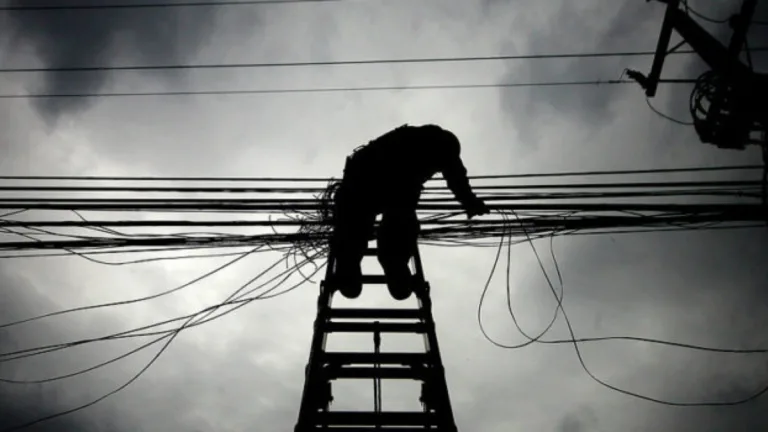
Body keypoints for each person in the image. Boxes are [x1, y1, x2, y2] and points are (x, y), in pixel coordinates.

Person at [330, 124, 489, 300]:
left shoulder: (428, 143)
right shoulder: (427, 144)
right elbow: (455, 177)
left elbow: (456, 177)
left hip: (367, 178)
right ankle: (367, 261)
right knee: (382, 219)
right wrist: (470, 202)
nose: (436, 170)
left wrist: (470, 202)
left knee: (376, 219)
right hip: (371, 177)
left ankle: (373, 263)